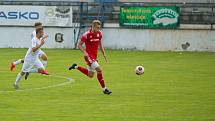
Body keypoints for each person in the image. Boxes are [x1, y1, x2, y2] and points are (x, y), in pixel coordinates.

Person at [69, 20, 112, 95]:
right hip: (88, 56)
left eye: (99, 28)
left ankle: (76, 66)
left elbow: (100, 44)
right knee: (99, 70)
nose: (98, 29)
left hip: (94, 57)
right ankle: (104, 89)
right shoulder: (86, 35)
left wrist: (103, 53)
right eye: (97, 27)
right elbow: (79, 45)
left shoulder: (99, 34)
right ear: (93, 27)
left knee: (90, 75)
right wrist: (84, 52)